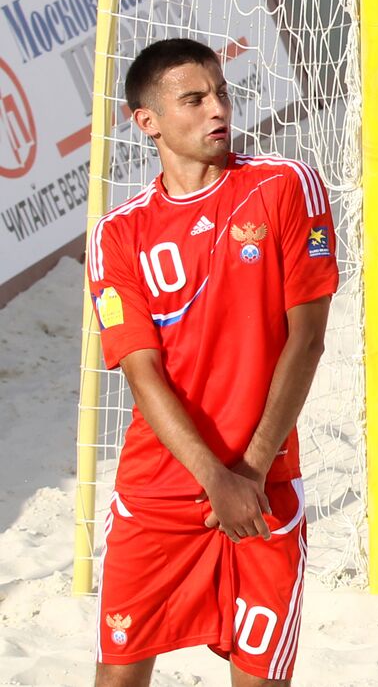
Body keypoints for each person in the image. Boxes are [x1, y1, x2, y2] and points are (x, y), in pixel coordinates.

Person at [87, 38, 338, 685]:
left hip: (263, 488)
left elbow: (306, 340)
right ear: (148, 121)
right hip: (159, 497)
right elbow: (143, 375)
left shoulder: (284, 185)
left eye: (220, 92)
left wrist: (248, 470)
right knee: (117, 678)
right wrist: (215, 478)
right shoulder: (118, 235)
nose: (217, 109)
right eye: (193, 99)